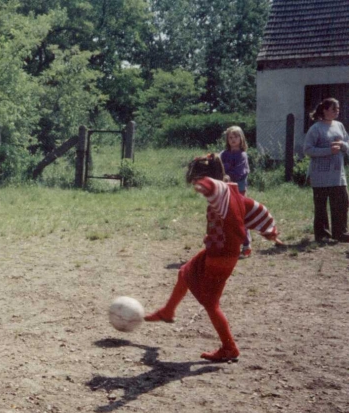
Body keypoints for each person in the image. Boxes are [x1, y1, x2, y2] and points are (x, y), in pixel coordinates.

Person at [144, 154, 282, 362]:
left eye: (196, 180)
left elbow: (212, 186)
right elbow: (255, 208)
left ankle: (229, 348)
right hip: (217, 250)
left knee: (211, 304)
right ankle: (168, 311)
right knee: (185, 272)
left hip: (221, 255)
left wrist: (203, 184)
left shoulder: (219, 190)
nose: (195, 186)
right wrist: (268, 230)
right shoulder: (233, 193)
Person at [304, 97, 349, 243]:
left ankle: (340, 232)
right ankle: (322, 235)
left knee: (342, 203)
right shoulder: (316, 128)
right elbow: (308, 149)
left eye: (338, 109)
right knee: (321, 207)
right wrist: (329, 150)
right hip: (320, 175)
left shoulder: (339, 126)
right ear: (325, 110)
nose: (337, 111)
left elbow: (347, 145)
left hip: (338, 174)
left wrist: (342, 145)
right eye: (334, 109)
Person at [219, 126, 252, 258]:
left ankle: (246, 245)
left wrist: (227, 175)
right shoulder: (224, 154)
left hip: (239, 189)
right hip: (225, 189)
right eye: (230, 137)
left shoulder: (242, 155)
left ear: (241, 138)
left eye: (236, 137)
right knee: (227, 217)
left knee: (239, 217)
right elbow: (218, 166)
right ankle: (231, 246)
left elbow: (240, 172)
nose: (233, 140)